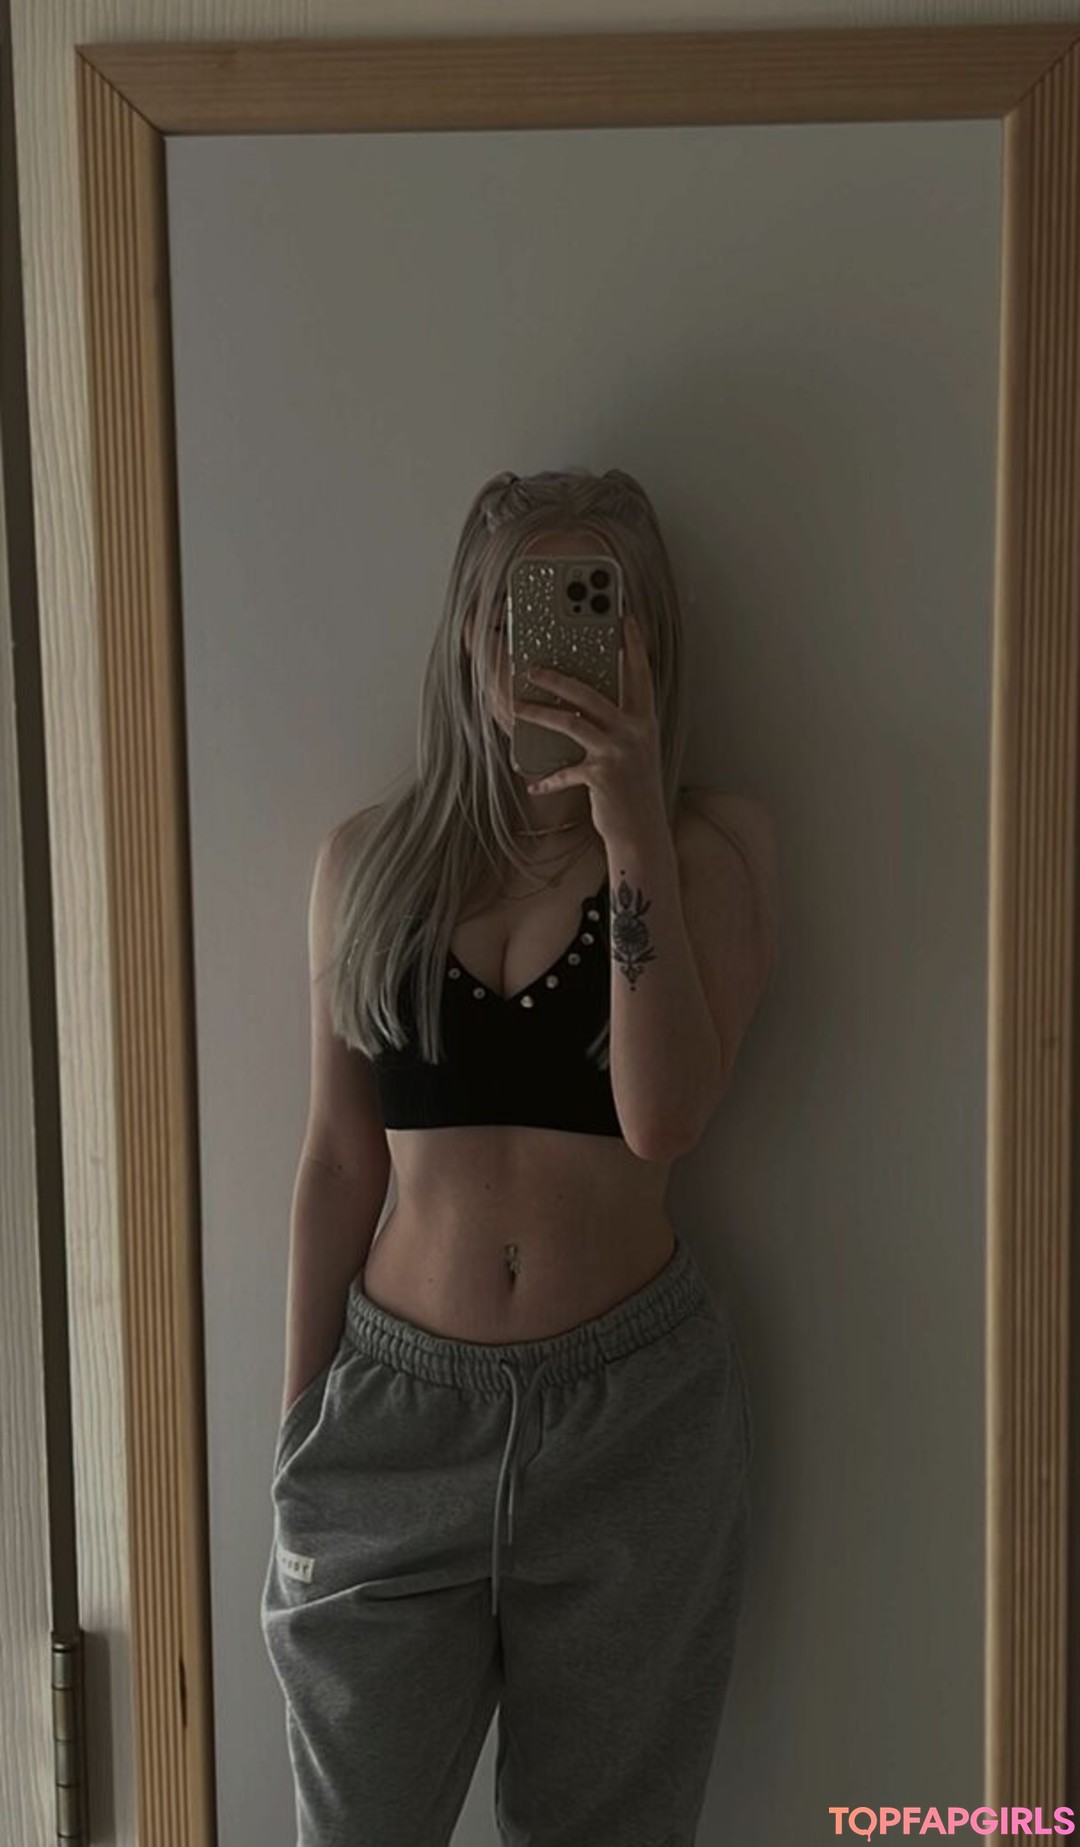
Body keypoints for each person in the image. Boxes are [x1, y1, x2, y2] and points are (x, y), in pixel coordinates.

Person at [260, 466, 778, 1846]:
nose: (534, 651)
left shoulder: (709, 848)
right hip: (391, 1424)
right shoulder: (371, 864)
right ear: (466, 637)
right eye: (511, 616)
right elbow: (337, 1165)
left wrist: (629, 827)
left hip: (630, 1425)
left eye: (584, 610)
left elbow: (665, 1120)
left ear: (645, 638)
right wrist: (301, 1431)